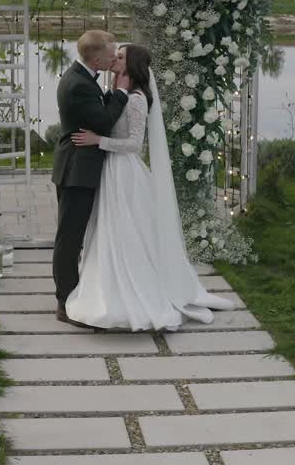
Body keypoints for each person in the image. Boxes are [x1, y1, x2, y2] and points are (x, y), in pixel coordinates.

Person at [64, 43, 233, 331]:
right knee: (106, 230)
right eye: (114, 55)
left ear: (132, 66)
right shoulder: (119, 91)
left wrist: (98, 141)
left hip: (123, 172)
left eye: (120, 57)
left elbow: (133, 144)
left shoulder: (138, 99)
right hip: (109, 170)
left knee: (125, 231)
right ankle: (104, 287)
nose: (114, 59)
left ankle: (133, 292)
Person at [50, 30, 129, 328]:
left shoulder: (82, 77)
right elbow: (105, 122)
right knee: (70, 239)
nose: (114, 58)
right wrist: (121, 92)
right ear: (97, 58)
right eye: (111, 55)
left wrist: (109, 92)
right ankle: (65, 302)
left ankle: (75, 294)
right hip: (76, 170)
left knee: (74, 236)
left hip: (79, 166)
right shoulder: (78, 85)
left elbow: (95, 115)